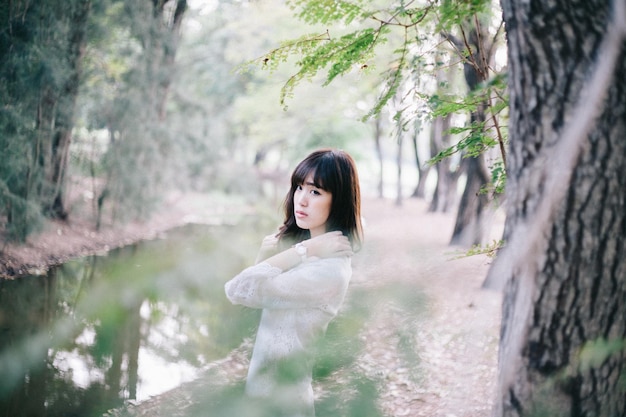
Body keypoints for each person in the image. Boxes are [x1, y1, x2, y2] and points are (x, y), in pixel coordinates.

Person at [224, 148, 363, 417]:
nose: (301, 200)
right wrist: (271, 254)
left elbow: (237, 290)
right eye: (299, 187)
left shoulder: (328, 270)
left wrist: (304, 249)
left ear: (340, 200)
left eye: (315, 192)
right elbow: (254, 297)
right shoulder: (311, 256)